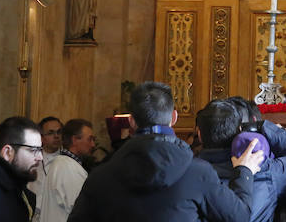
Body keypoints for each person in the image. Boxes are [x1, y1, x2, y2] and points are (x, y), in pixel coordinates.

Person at [68, 81, 263, 222]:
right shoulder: (198, 173)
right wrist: (244, 172)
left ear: (131, 122)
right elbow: (238, 216)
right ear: (174, 117)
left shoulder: (100, 176)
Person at [196, 100, 286, 222]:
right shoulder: (261, 169)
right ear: (241, 130)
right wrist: (262, 126)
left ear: (199, 134)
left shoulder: (187, 172)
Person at [38, 119, 96, 222]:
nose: (93, 145)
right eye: (89, 139)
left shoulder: (63, 163)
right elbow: (82, 211)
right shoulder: (68, 168)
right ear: (74, 140)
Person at [29, 116, 63, 202]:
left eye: (59, 132)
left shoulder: (67, 160)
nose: (56, 136)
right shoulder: (31, 160)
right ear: (41, 137)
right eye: (51, 133)